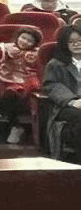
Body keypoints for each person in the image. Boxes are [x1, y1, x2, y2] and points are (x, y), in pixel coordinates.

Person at [0, 27, 42, 143]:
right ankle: (15, 126)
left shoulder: (35, 53)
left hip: (24, 81)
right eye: (23, 38)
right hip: (3, 77)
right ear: (17, 37)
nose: (24, 42)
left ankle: (15, 126)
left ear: (35, 44)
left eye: (29, 41)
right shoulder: (6, 47)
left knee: (11, 93)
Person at [42, 26, 81, 157]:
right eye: (71, 41)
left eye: (79, 40)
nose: (76, 44)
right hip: (65, 106)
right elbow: (51, 85)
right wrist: (72, 101)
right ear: (65, 44)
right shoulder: (56, 64)